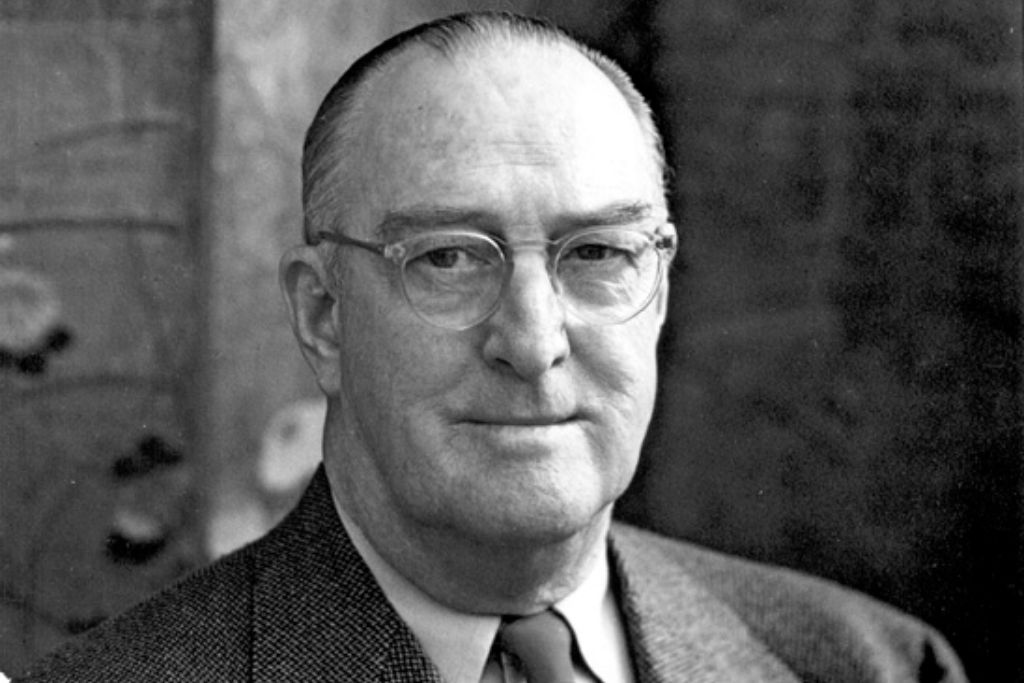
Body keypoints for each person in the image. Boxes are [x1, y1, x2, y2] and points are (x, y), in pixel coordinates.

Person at [16, 11, 966, 683]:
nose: (533, 340)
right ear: (322, 316)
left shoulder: (871, 664)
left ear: (662, 287)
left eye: (597, 252)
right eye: (447, 260)